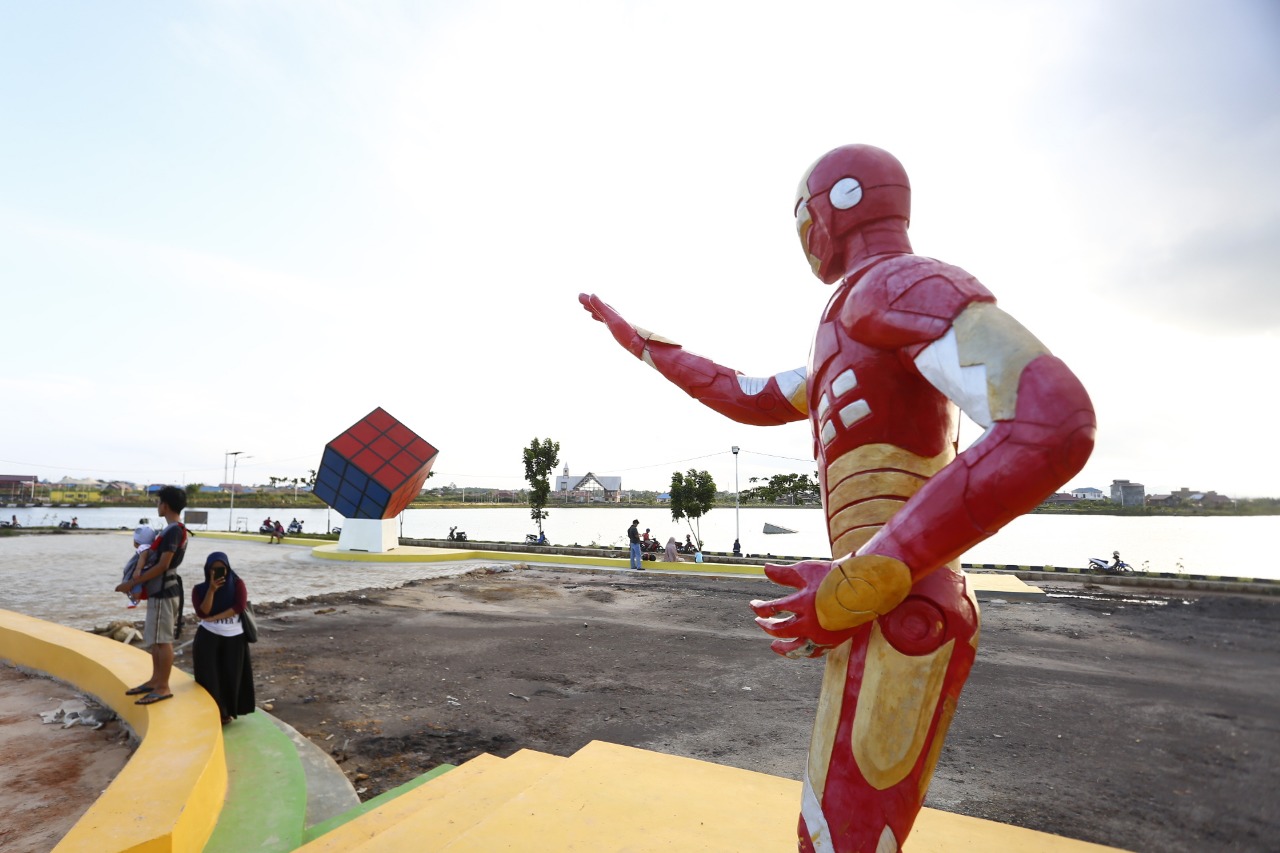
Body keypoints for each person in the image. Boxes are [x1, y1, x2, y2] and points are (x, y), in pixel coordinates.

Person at [579, 144, 1094, 851]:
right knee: (834, 829)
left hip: (900, 598)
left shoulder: (897, 286)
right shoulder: (848, 323)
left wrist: (870, 574)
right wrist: (642, 344)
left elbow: (1053, 422)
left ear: (829, 210)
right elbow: (743, 393)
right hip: (880, 600)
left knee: (841, 836)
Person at [117, 485, 190, 706]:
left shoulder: (174, 531)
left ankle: (163, 686)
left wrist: (132, 582)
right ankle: (155, 681)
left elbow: (163, 565)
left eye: (159, 502)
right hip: (161, 591)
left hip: (165, 592)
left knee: (163, 641)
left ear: (165, 505)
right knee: (156, 640)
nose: (157, 506)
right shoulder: (170, 530)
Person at [192, 551, 255, 725]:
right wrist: (211, 590)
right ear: (207, 570)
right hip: (208, 635)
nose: (218, 572)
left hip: (234, 636)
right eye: (213, 569)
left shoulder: (238, 584)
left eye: (222, 569)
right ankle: (213, 712)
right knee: (208, 676)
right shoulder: (199, 589)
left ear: (228, 568)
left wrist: (215, 617)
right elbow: (202, 612)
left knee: (231, 675)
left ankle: (227, 712)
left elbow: (239, 606)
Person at [120, 525, 157, 608]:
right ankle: (134, 599)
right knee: (136, 585)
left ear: (136, 542)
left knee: (135, 584)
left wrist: (138, 569)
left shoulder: (143, 547)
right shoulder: (150, 547)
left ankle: (135, 600)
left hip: (141, 571)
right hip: (147, 570)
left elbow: (142, 558)